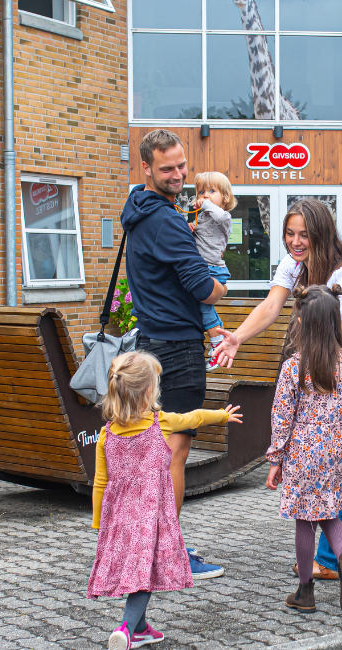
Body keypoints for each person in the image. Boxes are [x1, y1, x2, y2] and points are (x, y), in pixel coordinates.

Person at [212, 199, 342, 581]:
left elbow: (337, 340)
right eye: (290, 234)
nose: (295, 242)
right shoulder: (294, 264)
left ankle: (332, 561)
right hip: (326, 371)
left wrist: (303, 388)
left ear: (321, 234)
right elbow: (270, 307)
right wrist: (237, 339)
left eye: (304, 235)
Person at [121, 128, 229, 579]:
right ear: (146, 167)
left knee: (155, 453)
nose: (179, 175)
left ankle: (144, 546)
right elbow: (205, 288)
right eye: (167, 169)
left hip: (149, 345)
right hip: (178, 351)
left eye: (182, 166)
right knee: (173, 453)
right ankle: (168, 555)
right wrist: (220, 286)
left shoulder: (138, 211)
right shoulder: (166, 221)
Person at [88, 351, 243, 649]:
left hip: (120, 517)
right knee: (144, 573)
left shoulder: (106, 435)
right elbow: (194, 417)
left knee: (137, 569)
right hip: (151, 517)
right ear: (149, 392)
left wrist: (99, 522)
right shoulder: (162, 423)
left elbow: (100, 481)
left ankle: (142, 627)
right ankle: (126, 628)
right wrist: (223, 415)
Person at [265, 285, 342, 614]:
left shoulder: (294, 367)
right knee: (331, 514)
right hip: (336, 452)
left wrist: (275, 459)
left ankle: (305, 591)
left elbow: (282, 417)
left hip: (302, 452)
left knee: (304, 522)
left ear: (302, 321)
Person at [190, 171, 236, 369]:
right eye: (201, 192)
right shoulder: (203, 217)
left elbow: (219, 215)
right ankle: (216, 343)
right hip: (203, 268)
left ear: (225, 198)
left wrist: (205, 203)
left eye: (211, 191)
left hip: (213, 270)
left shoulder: (224, 217)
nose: (205, 196)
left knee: (204, 306)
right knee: (202, 307)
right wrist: (191, 228)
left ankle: (217, 343)